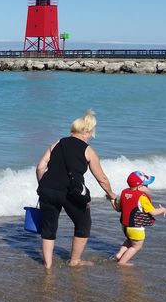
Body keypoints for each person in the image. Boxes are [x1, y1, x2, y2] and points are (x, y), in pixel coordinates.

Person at [35, 109, 116, 268]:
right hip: (71, 192)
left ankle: (48, 265)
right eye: (92, 133)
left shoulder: (57, 143)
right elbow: (102, 178)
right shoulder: (88, 150)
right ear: (86, 132)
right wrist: (111, 194)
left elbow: (40, 167)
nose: (92, 137)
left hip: (47, 189)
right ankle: (75, 260)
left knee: (49, 227)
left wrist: (42, 185)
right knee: (83, 223)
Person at [109, 171, 166, 265]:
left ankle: (120, 254)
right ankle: (122, 263)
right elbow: (153, 212)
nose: (147, 187)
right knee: (136, 246)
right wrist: (162, 210)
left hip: (124, 226)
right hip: (136, 228)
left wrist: (112, 200)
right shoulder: (142, 198)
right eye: (146, 185)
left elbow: (118, 209)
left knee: (130, 240)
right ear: (139, 187)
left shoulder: (124, 193)